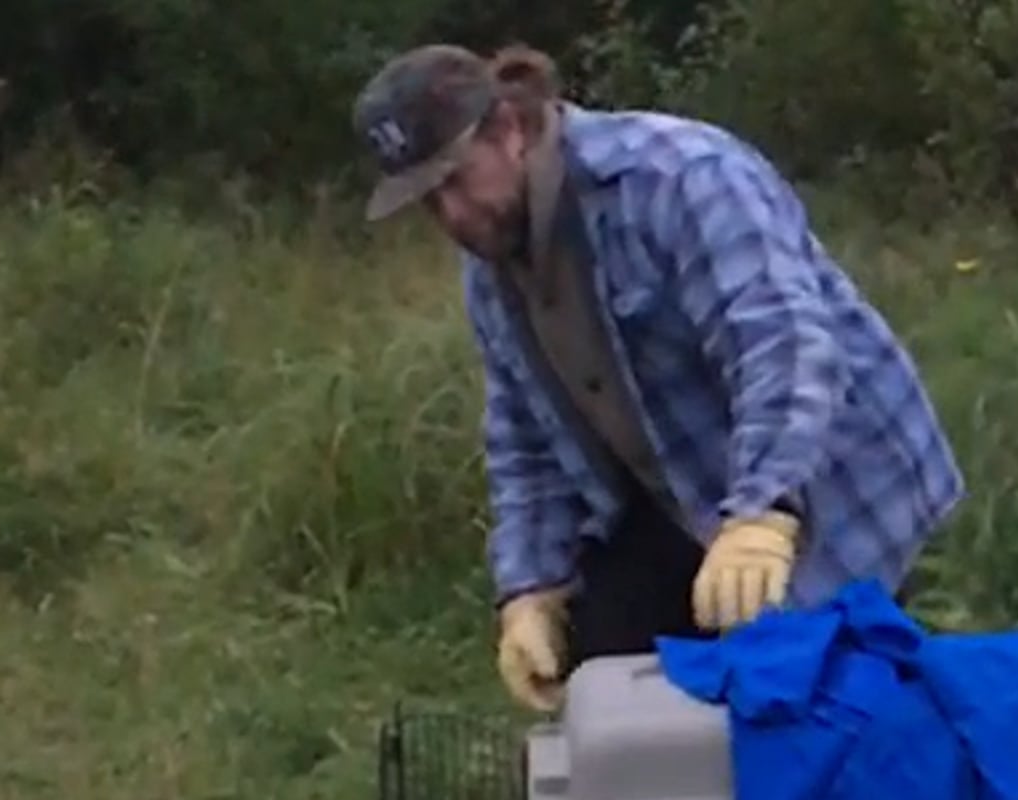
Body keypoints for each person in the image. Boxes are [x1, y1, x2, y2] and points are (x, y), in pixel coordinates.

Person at [349, 43, 964, 712]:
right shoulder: (493, 264)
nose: (454, 218)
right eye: (428, 204)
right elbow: (523, 437)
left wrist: (763, 513)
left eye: (456, 182)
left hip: (834, 481)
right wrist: (529, 587)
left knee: (812, 718)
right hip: (682, 491)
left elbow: (781, 345)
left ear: (508, 129)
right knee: (614, 691)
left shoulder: (679, 177)